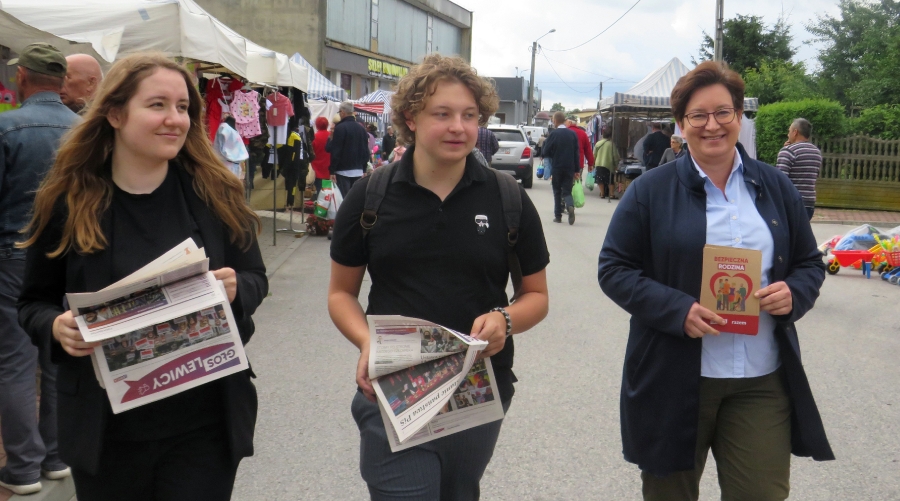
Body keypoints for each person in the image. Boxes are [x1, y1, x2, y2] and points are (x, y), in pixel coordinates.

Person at [16, 53, 268, 500]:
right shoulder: (69, 201)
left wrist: (236, 288)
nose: (175, 119)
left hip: (204, 428)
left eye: (183, 107)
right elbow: (33, 303)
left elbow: (254, 277)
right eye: (157, 105)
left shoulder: (216, 193)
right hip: (106, 433)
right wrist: (55, 327)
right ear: (115, 114)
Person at [597, 60, 833, 501]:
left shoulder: (775, 186)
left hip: (760, 376)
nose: (712, 125)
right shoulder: (650, 190)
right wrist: (677, 309)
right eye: (698, 115)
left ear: (739, 116)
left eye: (723, 112)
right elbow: (614, 268)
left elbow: (808, 262)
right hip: (675, 375)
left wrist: (795, 292)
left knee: (762, 493)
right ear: (681, 124)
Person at [328, 53, 549, 500]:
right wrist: (367, 343)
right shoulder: (371, 196)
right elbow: (340, 294)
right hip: (394, 386)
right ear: (411, 118)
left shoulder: (507, 197)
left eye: (469, 115)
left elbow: (536, 296)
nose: (458, 128)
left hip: (477, 388)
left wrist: (505, 320)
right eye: (442, 114)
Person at [0, 42, 77, 496]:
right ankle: (56, 455)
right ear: (62, 81)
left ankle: (24, 468)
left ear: (23, 76)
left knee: (15, 360)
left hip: (14, 250)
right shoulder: (86, 130)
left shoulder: (7, 127)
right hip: (74, 252)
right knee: (58, 353)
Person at [776, 118, 822, 220]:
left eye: (789, 131)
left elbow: (780, 180)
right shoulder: (817, 152)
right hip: (809, 204)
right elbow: (814, 176)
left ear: (795, 132)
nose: (788, 134)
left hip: (792, 203)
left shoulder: (788, 151)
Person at [541, 111, 580, 224]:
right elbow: (576, 153)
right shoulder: (572, 134)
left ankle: (558, 216)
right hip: (569, 167)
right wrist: (577, 170)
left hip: (557, 166)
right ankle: (570, 205)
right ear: (564, 120)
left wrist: (550, 154)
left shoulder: (554, 134)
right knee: (567, 191)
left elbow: (546, 151)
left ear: (555, 121)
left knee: (557, 191)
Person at [327, 101, 370, 196]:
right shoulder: (362, 129)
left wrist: (332, 170)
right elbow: (365, 150)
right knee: (354, 199)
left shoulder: (340, 128)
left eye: (339, 112)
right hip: (358, 169)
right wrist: (364, 168)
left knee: (344, 198)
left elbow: (336, 151)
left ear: (343, 112)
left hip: (342, 170)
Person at [212, 114, 248, 180]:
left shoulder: (232, 129)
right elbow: (223, 150)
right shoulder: (224, 128)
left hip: (232, 166)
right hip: (226, 166)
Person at [593, 127, 619, 200]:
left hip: (598, 164)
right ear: (610, 136)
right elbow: (615, 156)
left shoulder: (598, 143)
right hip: (608, 165)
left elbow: (594, 154)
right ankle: (611, 194)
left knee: (600, 179)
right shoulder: (611, 144)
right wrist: (616, 164)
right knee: (610, 180)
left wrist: (593, 163)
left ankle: (602, 194)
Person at [311, 116, 332, 196]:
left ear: (317, 125)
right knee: (328, 192)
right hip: (329, 168)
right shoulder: (331, 136)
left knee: (319, 192)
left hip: (317, 168)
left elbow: (311, 152)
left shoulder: (314, 137)